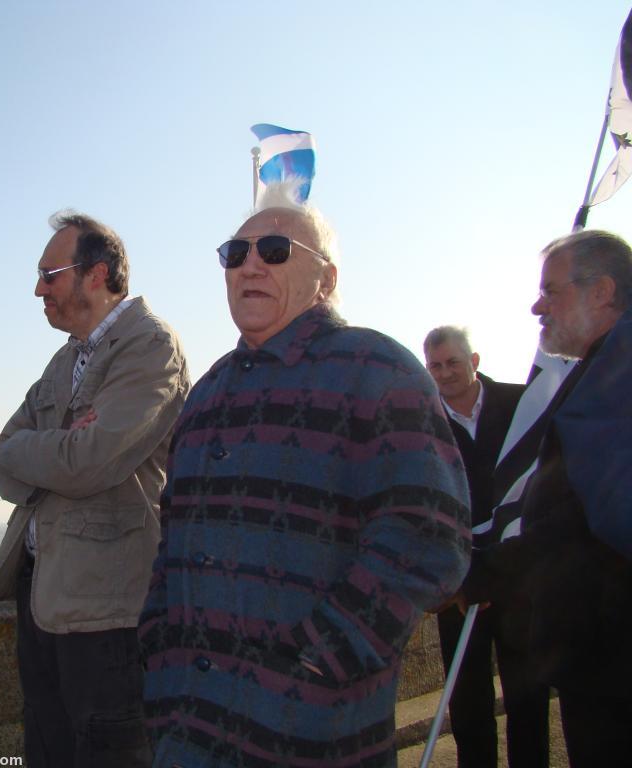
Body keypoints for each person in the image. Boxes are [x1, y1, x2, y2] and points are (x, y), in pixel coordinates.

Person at [138, 184, 471, 768]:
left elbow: (430, 535)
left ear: (327, 278)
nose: (251, 265)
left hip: (312, 735)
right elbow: (174, 543)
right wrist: (159, 643)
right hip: (188, 727)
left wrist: (321, 657)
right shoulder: (206, 395)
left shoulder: (379, 369)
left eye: (274, 248)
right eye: (234, 254)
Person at [0, 211, 190, 768]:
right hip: (42, 596)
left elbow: (90, 463)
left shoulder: (150, 346)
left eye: (50, 275)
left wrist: (56, 450)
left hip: (106, 612)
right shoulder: (63, 360)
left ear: (96, 274)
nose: (38, 289)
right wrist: (59, 446)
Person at [462, 230, 632, 767]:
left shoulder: (614, 379)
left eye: (550, 291)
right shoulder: (603, 368)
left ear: (602, 291)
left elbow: (579, 524)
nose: (538, 307)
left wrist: (474, 574)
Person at [423, 326, 549, 768]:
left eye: (452, 363)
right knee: (469, 702)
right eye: (435, 366)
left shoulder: (523, 406)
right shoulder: (421, 425)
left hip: (518, 576)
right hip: (460, 581)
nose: (444, 374)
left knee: (527, 694)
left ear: (474, 361)